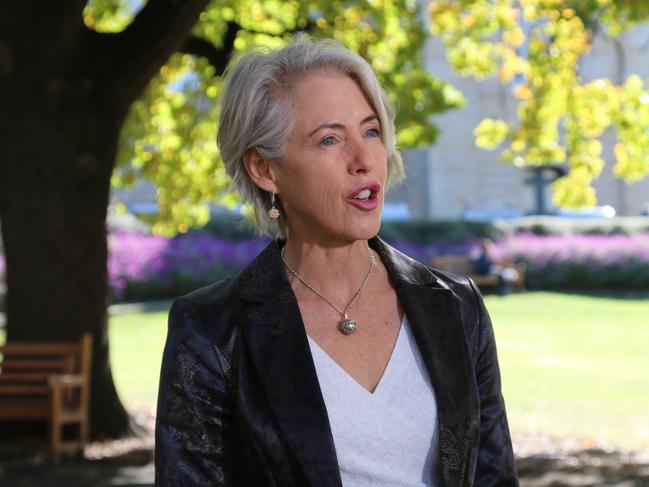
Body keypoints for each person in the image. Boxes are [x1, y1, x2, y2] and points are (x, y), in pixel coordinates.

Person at [155, 35, 519, 487]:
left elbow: (493, 478)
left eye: (371, 130)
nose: (365, 159)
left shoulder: (457, 307)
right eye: (329, 139)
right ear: (265, 169)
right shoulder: (212, 331)